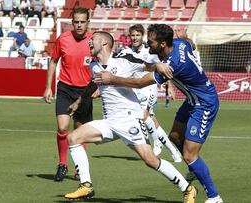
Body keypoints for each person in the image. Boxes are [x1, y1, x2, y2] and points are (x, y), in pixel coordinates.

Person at [95, 24, 224, 203]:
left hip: (204, 104)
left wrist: (112, 79)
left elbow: (140, 83)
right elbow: (190, 44)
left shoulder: (173, 65)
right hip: (192, 101)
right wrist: (187, 37)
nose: (148, 44)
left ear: (163, 44)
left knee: (189, 155)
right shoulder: (178, 43)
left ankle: (214, 197)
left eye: (152, 42)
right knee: (175, 137)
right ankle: (195, 169)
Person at [65, 31, 197, 202]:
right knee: (73, 138)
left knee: (150, 160)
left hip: (130, 120)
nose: (89, 42)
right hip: (110, 122)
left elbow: (146, 65)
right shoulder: (94, 65)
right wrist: (78, 102)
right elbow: (93, 84)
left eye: (93, 39)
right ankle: (86, 186)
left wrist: (158, 65)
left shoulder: (123, 59)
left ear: (105, 43)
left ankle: (187, 189)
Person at [42, 7, 94, 182]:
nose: (79, 25)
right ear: (72, 23)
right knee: (63, 127)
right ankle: (62, 163)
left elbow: (103, 65)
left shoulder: (94, 41)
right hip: (65, 88)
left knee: (81, 132)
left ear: (88, 22)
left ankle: (79, 167)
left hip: (85, 91)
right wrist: (48, 87)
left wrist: (98, 88)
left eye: (82, 22)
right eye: (76, 22)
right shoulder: (63, 39)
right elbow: (53, 61)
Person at [120, 24, 182, 162]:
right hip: (136, 92)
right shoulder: (126, 52)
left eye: (137, 35)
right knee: (152, 121)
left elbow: (164, 70)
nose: (135, 38)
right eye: (132, 35)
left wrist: (169, 87)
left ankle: (157, 142)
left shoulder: (151, 52)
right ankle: (173, 151)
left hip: (149, 90)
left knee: (144, 115)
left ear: (142, 37)